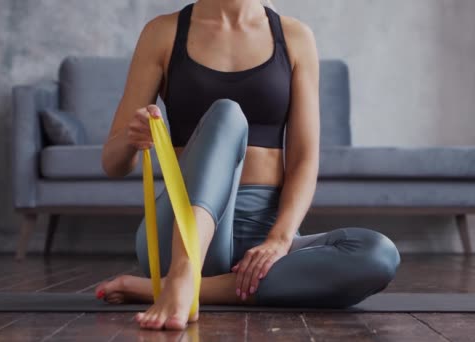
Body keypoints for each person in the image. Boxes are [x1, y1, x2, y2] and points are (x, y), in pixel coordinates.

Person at [98, 0, 400, 331]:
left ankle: (178, 289)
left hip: (262, 240)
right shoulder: (163, 33)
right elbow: (113, 164)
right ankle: (184, 272)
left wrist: (279, 239)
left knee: (377, 254)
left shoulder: (295, 37)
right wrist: (132, 136)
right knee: (227, 114)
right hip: (180, 229)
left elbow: (303, 158)